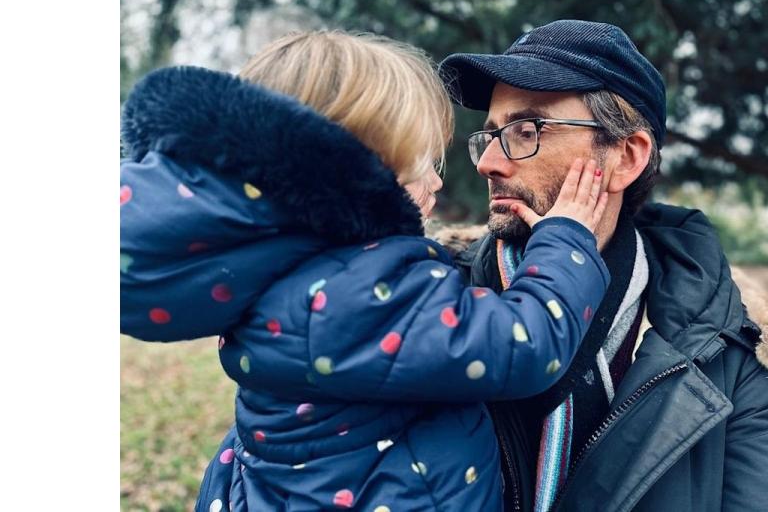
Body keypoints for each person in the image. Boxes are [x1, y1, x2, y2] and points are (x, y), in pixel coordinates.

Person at [120, 30, 613, 511]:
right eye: (421, 162)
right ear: (360, 171)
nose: (438, 180)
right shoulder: (359, 294)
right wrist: (567, 238)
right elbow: (525, 342)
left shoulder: (292, 270)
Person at [439, 19, 768, 512]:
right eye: (491, 135)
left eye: (527, 130)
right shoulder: (434, 303)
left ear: (626, 157)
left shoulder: (722, 346)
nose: (488, 162)